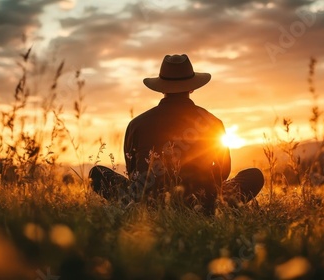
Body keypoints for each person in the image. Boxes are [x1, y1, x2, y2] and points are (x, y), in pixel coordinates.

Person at [90, 54, 264, 213]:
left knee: (97, 173)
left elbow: (133, 171)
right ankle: (211, 207)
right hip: (203, 203)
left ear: (161, 88)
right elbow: (223, 171)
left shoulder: (137, 124)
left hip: (149, 202)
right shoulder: (213, 122)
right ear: (192, 88)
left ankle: (142, 207)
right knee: (253, 176)